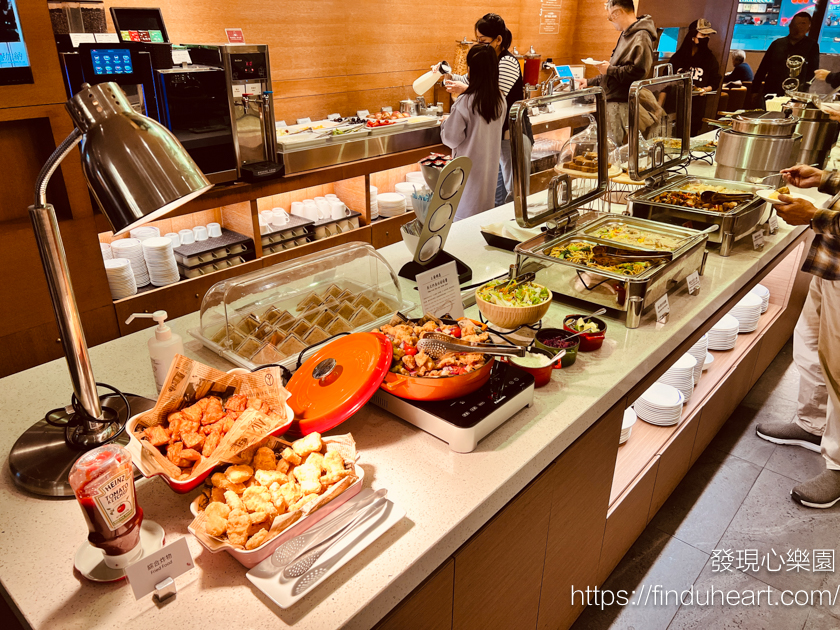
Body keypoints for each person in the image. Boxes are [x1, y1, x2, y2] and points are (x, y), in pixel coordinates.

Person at [755, 164, 840, 508]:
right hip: (832, 260)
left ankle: (838, 466)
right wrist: (825, 179)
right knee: (810, 344)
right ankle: (812, 424)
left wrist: (816, 216)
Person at [443, 14, 531, 206]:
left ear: (499, 39)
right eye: (478, 41)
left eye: (484, 41)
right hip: (496, 137)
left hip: (512, 135)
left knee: (514, 192)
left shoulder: (506, 62)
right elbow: (475, 82)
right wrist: (446, 75)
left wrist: (464, 94)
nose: (481, 45)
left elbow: (492, 94)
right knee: (496, 197)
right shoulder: (487, 61)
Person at [578, 0, 656, 146]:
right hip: (613, 101)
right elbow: (615, 70)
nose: (610, 21)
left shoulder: (641, 36)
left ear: (617, 13)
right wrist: (590, 82)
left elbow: (638, 72)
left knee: (610, 151)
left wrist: (609, 69)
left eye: (609, 17)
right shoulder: (627, 34)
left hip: (620, 103)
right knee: (606, 148)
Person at [440, 44, 505, 220]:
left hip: (466, 179)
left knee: (463, 225)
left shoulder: (466, 102)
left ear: (471, 70)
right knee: (481, 222)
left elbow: (451, 139)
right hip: (488, 175)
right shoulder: (500, 99)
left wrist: (445, 123)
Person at [751, 11, 819, 103]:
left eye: (803, 24)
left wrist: (804, 90)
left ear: (808, 28)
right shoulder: (777, 44)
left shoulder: (811, 46)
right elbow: (763, 68)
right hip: (772, 92)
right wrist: (754, 90)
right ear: (790, 26)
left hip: (795, 95)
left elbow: (813, 71)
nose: (798, 27)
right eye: (796, 24)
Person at [668, 19, 721, 92]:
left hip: (697, 100)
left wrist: (704, 89)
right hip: (675, 99)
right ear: (692, 36)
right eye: (703, 34)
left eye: (708, 35)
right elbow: (666, 81)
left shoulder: (710, 58)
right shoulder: (678, 57)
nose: (706, 38)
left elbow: (715, 82)